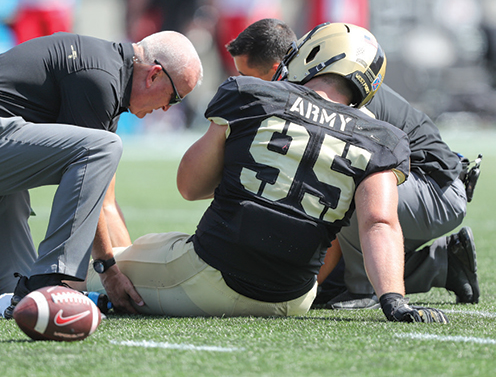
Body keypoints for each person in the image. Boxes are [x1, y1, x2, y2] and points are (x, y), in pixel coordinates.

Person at [79, 22, 449, 323]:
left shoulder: (252, 95)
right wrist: (394, 301)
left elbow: (190, 187)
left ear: (314, 54)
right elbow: (379, 223)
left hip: (209, 278)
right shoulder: (382, 137)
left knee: (96, 269)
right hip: (294, 297)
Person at [0, 30, 203, 316]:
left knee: (22, 295)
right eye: (175, 98)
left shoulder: (109, 78)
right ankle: (51, 279)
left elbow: (103, 203)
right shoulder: (101, 78)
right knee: (104, 147)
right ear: (154, 75)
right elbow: (95, 168)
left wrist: (125, 275)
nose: (167, 110)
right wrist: (108, 270)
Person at [226, 18, 480, 309]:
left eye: (248, 76)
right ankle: (445, 262)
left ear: (275, 70)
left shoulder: (330, 91)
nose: (245, 85)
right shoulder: (312, 79)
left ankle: (362, 290)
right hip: (416, 184)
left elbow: (330, 175)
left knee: (338, 180)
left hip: (436, 189)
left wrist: (292, 286)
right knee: (330, 277)